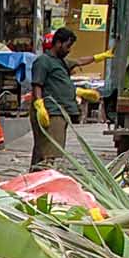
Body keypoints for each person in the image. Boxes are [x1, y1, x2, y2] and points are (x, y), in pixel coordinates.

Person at [29, 28, 112, 167]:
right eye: (67, 46)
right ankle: (44, 178)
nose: (69, 50)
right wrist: (39, 104)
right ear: (58, 43)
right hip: (51, 111)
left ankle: (36, 180)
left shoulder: (60, 61)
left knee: (47, 150)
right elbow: (37, 84)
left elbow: (79, 61)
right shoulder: (43, 61)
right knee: (49, 152)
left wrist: (98, 57)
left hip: (61, 111)